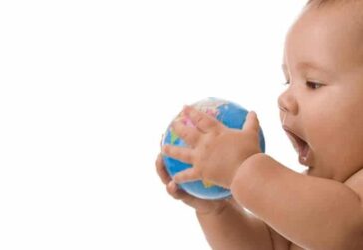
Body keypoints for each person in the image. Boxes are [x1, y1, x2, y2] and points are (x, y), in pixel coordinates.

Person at [155, 0, 363, 249]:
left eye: (313, 83)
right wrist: (217, 210)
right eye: (288, 82)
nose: (284, 99)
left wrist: (241, 168)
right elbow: (270, 247)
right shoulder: (316, 191)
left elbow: (346, 232)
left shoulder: (343, 209)